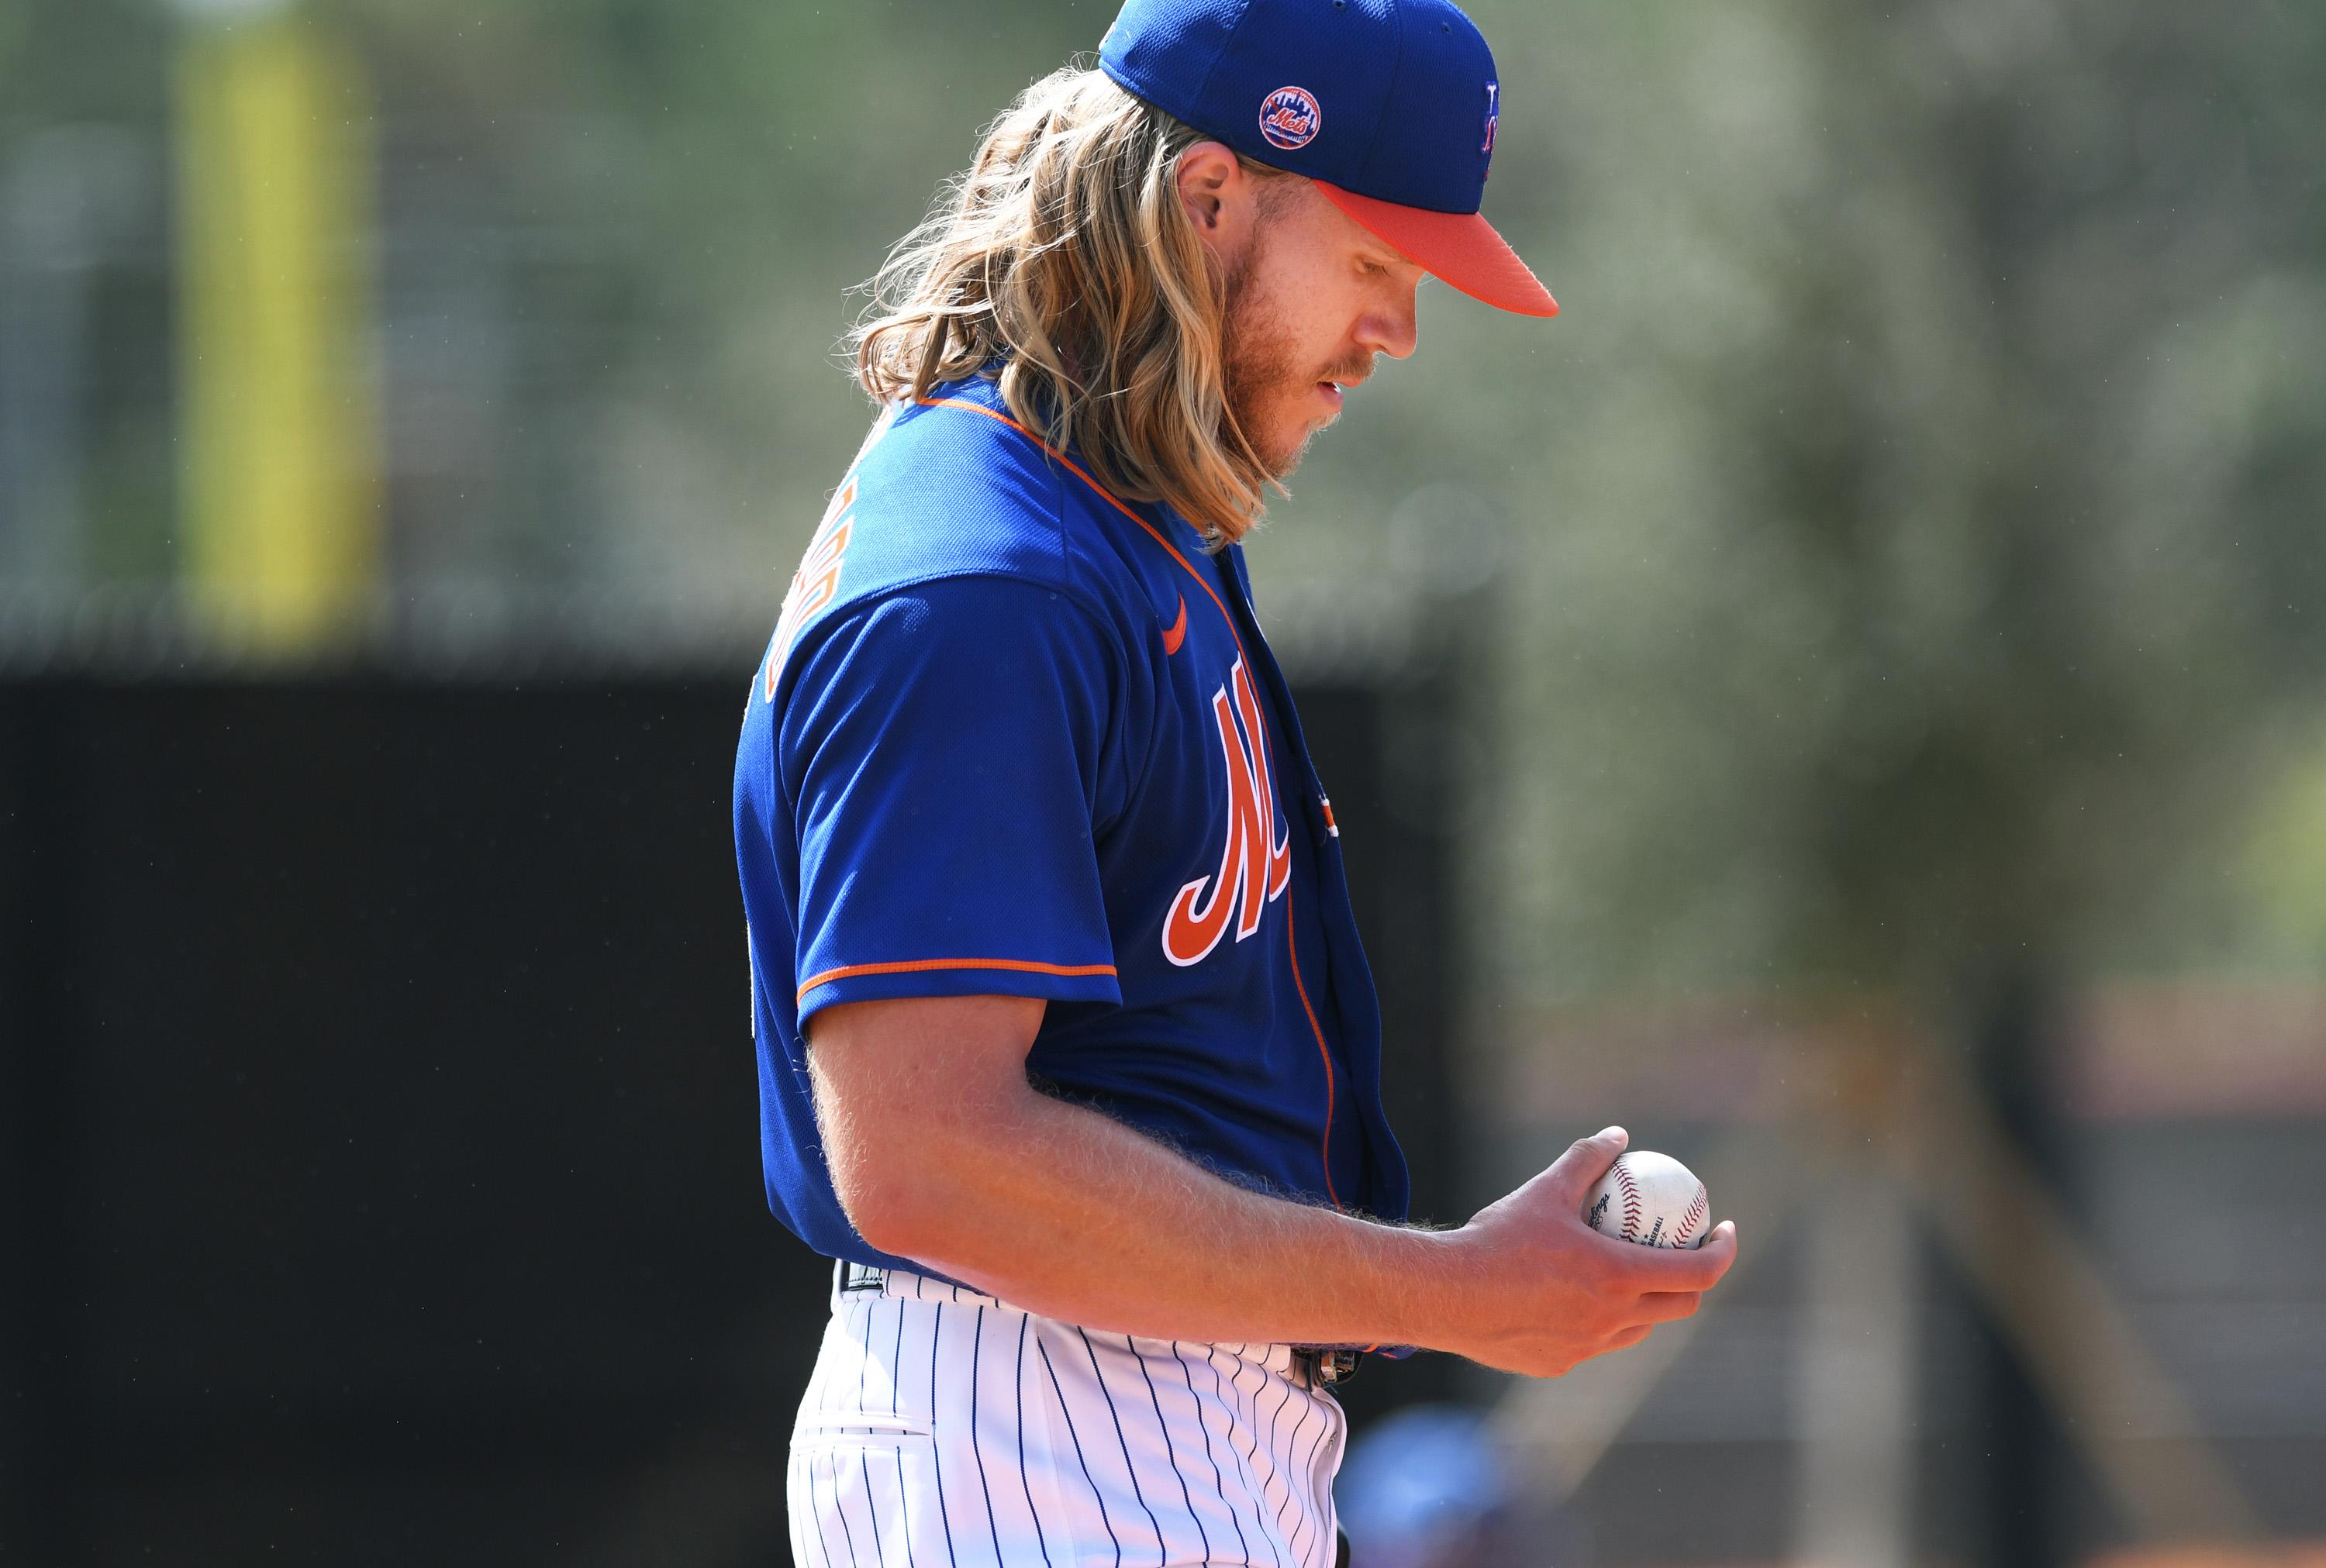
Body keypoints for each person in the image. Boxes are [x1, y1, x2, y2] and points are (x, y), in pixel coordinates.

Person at [731, 0, 1739, 1562]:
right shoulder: (984, 581)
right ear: (1208, 199)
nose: (1401, 326)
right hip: (1037, 1433)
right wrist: (1455, 1288)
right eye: (1377, 260)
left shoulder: (1116, 528)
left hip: (1125, 1430)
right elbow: (926, 1157)